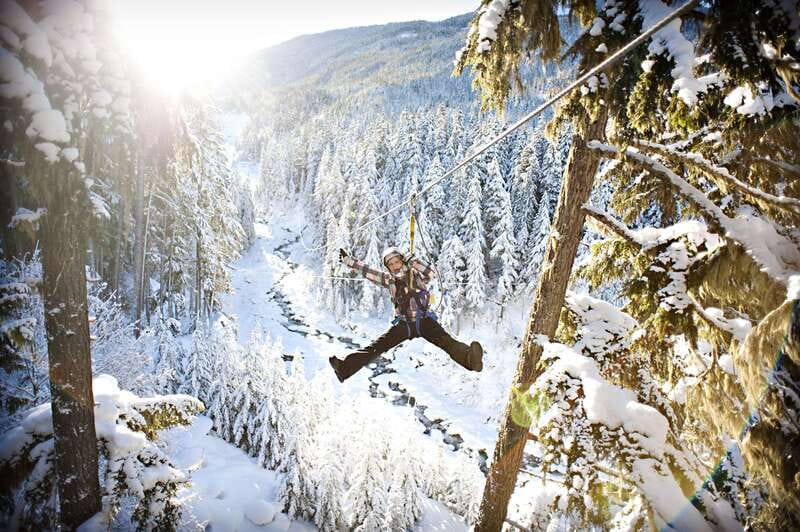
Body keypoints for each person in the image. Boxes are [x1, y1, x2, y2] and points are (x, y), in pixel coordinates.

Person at [328, 246, 483, 382]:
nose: (395, 266)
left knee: (447, 342)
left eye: (397, 262)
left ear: (402, 261)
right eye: (391, 264)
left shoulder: (416, 274)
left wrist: (413, 262)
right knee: (376, 347)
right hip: (404, 324)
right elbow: (368, 271)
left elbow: (431, 274)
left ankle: (469, 359)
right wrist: (349, 261)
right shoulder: (389, 280)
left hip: (424, 321)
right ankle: (344, 368)